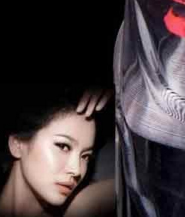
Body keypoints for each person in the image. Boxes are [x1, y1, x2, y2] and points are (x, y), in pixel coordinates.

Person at [0, 86, 114, 217]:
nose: (76, 170)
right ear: (17, 144)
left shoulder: (78, 208)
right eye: (63, 146)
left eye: (85, 156)